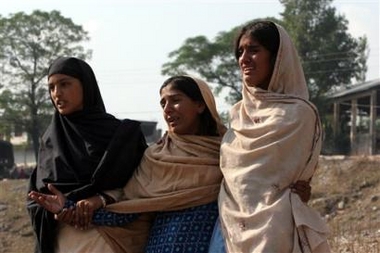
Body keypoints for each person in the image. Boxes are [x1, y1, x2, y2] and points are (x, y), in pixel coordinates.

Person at [29, 75, 313, 253]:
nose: (167, 110)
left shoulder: (231, 151)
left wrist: (292, 193)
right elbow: (130, 206)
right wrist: (69, 208)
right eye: (163, 103)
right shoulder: (154, 157)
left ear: (200, 104)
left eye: (175, 101)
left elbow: (258, 188)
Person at [216, 20, 331, 252]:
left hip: (276, 227)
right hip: (229, 228)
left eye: (254, 50)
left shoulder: (300, 113)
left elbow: (295, 176)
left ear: (278, 57)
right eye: (240, 52)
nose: (244, 59)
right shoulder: (238, 114)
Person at [27, 56, 147, 253]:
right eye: (52, 87)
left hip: (113, 240)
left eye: (65, 84)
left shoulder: (121, 136)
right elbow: (35, 197)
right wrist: (58, 210)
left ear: (86, 86)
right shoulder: (50, 141)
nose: (57, 93)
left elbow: (143, 185)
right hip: (64, 241)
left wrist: (101, 199)